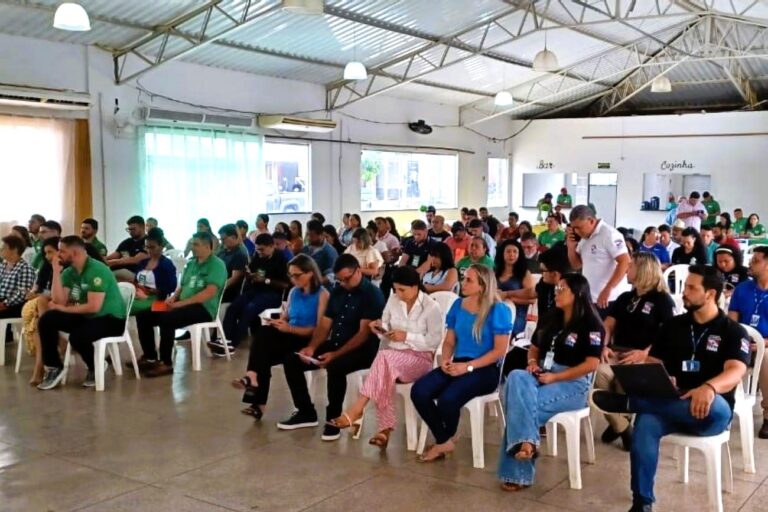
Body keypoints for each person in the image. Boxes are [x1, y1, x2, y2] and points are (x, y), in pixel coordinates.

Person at [591, 265, 750, 512]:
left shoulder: (731, 330)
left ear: (710, 294)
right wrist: (660, 378)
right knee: (645, 424)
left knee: (711, 403)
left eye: (691, 288)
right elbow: (655, 363)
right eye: (685, 287)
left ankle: (631, 403)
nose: (684, 292)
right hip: (671, 403)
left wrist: (708, 387)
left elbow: (735, 371)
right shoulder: (674, 326)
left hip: (711, 409)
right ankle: (642, 502)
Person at [497, 273, 602, 491]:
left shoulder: (591, 324)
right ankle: (526, 443)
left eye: (562, 289)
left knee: (521, 405)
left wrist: (556, 377)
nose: (556, 293)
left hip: (573, 381)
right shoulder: (550, 317)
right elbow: (534, 346)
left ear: (577, 293)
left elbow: (592, 364)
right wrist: (533, 362)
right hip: (543, 371)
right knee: (516, 376)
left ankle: (519, 469)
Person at [328, 266, 443, 447]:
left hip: (420, 359)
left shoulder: (431, 307)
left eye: (402, 290)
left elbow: (434, 342)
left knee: (384, 359)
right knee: (385, 365)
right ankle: (383, 430)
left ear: (415, 287)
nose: (398, 293)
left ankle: (358, 409)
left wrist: (407, 336)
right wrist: (379, 328)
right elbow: (386, 327)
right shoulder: (393, 300)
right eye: (395, 289)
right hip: (393, 355)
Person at [278, 255, 385, 441]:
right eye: (339, 279)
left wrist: (334, 355)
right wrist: (312, 347)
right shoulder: (337, 291)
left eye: (347, 278)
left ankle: (333, 418)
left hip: (363, 351)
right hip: (336, 344)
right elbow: (325, 325)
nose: (343, 283)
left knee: (335, 367)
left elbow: (363, 334)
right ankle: (305, 412)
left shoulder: (372, 294)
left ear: (358, 271)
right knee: (292, 360)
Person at [411, 264, 511, 462]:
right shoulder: (458, 305)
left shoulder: (498, 310)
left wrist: (468, 367)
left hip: (485, 369)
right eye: (464, 278)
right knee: (419, 391)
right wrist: (446, 361)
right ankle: (445, 439)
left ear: (482, 286)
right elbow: (449, 341)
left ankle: (443, 440)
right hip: (458, 363)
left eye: (469, 280)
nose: (463, 283)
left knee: (448, 399)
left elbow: (500, 350)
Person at [231, 254, 329, 420]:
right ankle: (253, 379)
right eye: (290, 275)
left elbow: (319, 329)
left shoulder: (322, 294)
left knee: (264, 348)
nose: (293, 279)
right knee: (263, 337)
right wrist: (278, 323)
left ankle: (256, 396)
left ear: (310, 273)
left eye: (297, 275)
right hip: (290, 335)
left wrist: (289, 328)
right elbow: (286, 315)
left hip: (306, 338)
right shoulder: (293, 292)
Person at [596, 252, 675, 451]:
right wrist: (603, 346)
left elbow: (668, 334)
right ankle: (623, 427)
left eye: (630, 266)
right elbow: (607, 326)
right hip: (616, 352)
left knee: (624, 382)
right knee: (597, 376)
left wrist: (644, 354)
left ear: (643, 270)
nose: (626, 269)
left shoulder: (662, 300)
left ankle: (618, 425)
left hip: (643, 355)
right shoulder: (624, 298)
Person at [36, 236, 127, 390]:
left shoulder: (97, 270)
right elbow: (59, 301)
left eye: (62, 251)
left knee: (78, 336)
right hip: (87, 317)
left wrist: (64, 309)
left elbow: (93, 307)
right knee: (47, 319)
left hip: (110, 319)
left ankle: (95, 366)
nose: (59, 255)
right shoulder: (69, 272)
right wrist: (56, 273)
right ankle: (53, 367)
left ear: (75, 253)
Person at [135, 232, 227, 377]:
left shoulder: (217, 265)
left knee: (168, 319)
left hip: (203, 309)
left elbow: (208, 293)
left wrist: (181, 304)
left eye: (195, 244)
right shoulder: (191, 264)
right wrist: (173, 299)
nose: (192, 247)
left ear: (207, 246)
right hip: (183, 304)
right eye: (192, 243)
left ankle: (166, 363)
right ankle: (150, 356)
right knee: (144, 315)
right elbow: (182, 287)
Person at [219, 233, 289, 353]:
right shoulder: (257, 256)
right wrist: (249, 275)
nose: (259, 252)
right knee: (233, 307)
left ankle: (233, 342)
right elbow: (251, 271)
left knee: (250, 308)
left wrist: (265, 280)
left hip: (272, 294)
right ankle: (225, 340)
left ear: (272, 246)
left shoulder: (281, 259)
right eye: (257, 249)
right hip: (255, 290)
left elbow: (285, 284)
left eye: (262, 249)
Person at [728, 246, 768, 438]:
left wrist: (764, 343)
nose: (750, 263)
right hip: (742, 343)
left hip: (766, 345)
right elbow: (731, 322)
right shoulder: (742, 289)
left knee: (767, 356)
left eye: (756, 260)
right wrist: (739, 340)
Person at [567, 205, 630, 316]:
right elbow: (576, 265)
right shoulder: (584, 239)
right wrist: (571, 248)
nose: (576, 231)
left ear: (591, 221)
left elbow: (625, 262)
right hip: (590, 297)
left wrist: (608, 288)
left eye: (579, 227)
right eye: (574, 228)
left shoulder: (609, 234)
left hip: (610, 298)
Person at [21, 237, 59, 385]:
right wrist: (32, 293)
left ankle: (40, 368)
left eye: (51, 252)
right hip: (47, 307)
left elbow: (63, 296)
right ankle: (41, 366)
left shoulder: (68, 269)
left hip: (63, 306)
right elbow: (37, 288)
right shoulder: (46, 267)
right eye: (46, 253)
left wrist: (41, 295)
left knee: (41, 319)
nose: (48, 256)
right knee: (40, 322)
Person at [129, 228, 177, 316]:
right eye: (146, 247)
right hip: (140, 296)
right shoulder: (143, 263)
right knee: (121, 303)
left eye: (152, 247)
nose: (149, 250)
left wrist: (150, 292)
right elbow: (136, 281)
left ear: (161, 246)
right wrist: (136, 291)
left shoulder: (166, 265)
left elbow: (171, 287)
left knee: (127, 307)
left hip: (157, 299)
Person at [495, 239, 535, 335]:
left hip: (517, 314)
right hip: (495, 310)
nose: (511, 254)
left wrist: (507, 298)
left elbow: (532, 300)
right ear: (502, 254)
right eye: (508, 251)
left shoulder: (525, 273)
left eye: (515, 251)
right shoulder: (494, 272)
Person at [0, 235, 37, 320]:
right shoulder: (3, 265)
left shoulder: (25, 268)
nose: (0, 250)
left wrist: (4, 303)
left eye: (3, 248)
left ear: (14, 250)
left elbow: (22, 294)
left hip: (13, 305)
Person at [106, 215, 149, 281]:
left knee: (108, 275)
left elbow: (136, 260)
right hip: (120, 271)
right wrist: (101, 259)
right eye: (129, 229)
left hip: (138, 274)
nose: (131, 231)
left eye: (133, 229)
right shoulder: (126, 242)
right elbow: (113, 256)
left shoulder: (148, 242)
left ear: (142, 227)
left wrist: (113, 262)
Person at [217, 224, 249, 304]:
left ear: (233, 237)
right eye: (221, 239)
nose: (222, 242)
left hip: (227, 293)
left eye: (224, 239)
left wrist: (217, 289)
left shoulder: (239, 254)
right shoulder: (222, 253)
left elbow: (234, 279)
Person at [302, 220, 338, 285]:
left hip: (322, 288)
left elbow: (332, 276)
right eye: (307, 234)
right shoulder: (305, 249)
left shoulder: (330, 252)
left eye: (312, 236)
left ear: (321, 235)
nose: (308, 238)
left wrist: (313, 284)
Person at [536, 246, 568, 318]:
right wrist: (507, 294)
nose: (541, 274)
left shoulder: (569, 292)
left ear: (554, 274)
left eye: (542, 271)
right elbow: (532, 293)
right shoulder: (544, 283)